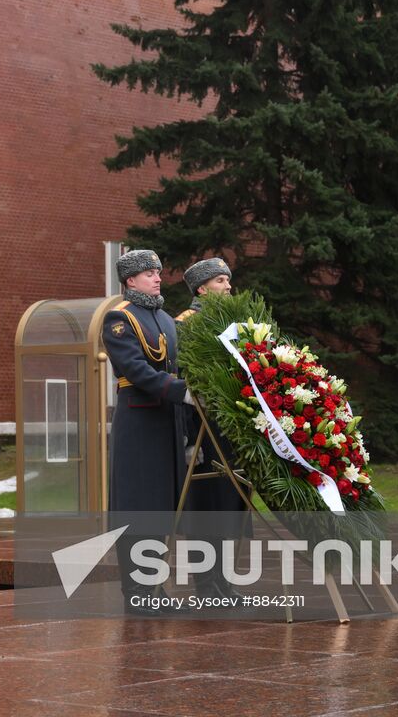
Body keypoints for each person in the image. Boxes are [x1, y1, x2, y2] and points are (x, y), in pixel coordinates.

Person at [103, 249, 194, 612]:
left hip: (166, 423)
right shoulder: (119, 318)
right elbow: (136, 370)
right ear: (130, 280)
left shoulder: (166, 320)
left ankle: (154, 589)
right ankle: (137, 593)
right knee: (138, 509)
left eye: (158, 272)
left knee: (160, 510)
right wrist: (178, 391)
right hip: (139, 424)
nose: (157, 278)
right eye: (148, 273)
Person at [176, 257, 252, 597]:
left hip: (233, 427)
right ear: (202, 288)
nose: (228, 286)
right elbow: (184, 383)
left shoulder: (234, 323)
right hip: (204, 427)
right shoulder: (186, 324)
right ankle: (206, 584)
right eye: (221, 281)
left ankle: (223, 581)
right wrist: (191, 438)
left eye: (228, 280)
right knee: (205, 507)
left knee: (229, 504)